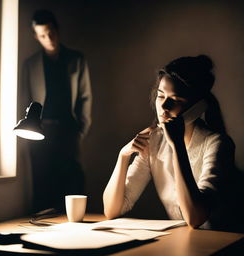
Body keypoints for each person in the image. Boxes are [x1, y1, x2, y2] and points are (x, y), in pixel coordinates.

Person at [103, 55, 244, 232]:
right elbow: (112, 210)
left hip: (220, 243)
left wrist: (177, 146)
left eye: (176, 100)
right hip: (184, 241)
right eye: (161, 96)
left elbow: (196, 218)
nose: (164, 106)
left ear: (198, 107)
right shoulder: (155, 142)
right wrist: (123, 156)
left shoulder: (218, 144)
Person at [20, 9, 92, 213]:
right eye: (42, 35)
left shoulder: (76, 59)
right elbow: (24, 99)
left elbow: (85, 97)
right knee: (42, 184)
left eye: (51, 32)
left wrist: (80, 131)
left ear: (57, 31)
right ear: (36, 36)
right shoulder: (31, 65)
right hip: (39, 132)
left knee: (72, 183)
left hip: (68, 130)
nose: (48, 38)